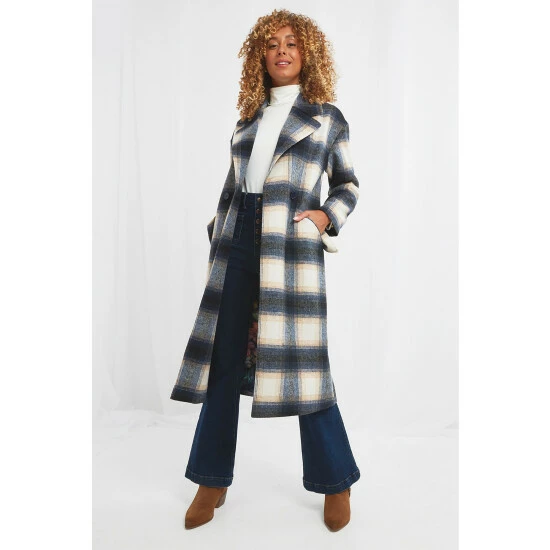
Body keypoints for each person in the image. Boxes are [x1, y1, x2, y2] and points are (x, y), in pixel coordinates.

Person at [171, 9, 361, 531]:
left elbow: (347, 184)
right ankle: (211, 480)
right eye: (272, 44)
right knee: (223, 361)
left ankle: (336, 480)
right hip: (238, 241)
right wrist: (219, 231)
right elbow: (232, 188)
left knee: (305, 365)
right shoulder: (247, 121)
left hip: (290, 246)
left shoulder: (326, 118)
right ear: (260, 55)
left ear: (307, 54)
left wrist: (325, 216)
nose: (282, 51)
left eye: (292, 43)